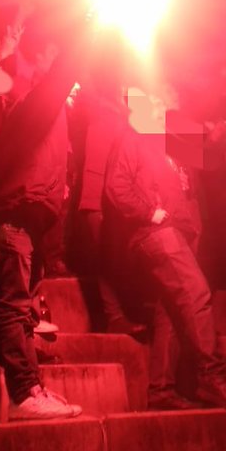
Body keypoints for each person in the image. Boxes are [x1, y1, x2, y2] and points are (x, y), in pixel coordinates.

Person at [0, 17, 83, 421]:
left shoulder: (45, 105)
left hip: (27, 219)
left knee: (21, 309)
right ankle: (23, 393)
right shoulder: (27, 99)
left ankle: (33, 389)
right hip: (8, 215)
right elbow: (21, 77)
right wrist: (89, 24)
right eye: (54, 55)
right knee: (12, 306)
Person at [104, 118, 226, 411]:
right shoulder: (135, 137)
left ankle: (160, 390)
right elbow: (116, 185)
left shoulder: (172, 146)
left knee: (170, 312)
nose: (163, 108)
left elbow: (204, 169)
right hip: (156, 232)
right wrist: (148, 212)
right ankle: (211, 376)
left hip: (180, 233)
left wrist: (217, 138)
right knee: (197, 294)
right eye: (157, 101)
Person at [67, 75, 147, 338]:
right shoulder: (106, 117)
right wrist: (98, 204)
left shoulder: (114, 119)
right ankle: (115, 317)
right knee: (108, 262)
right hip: (101, 201)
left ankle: (121, 314)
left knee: (115, 260)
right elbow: (99, 164)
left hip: (104, 200)